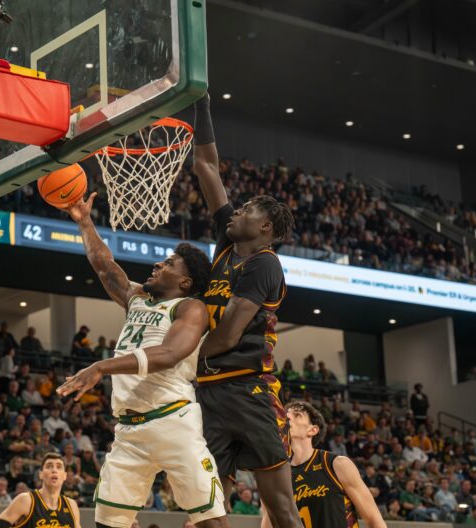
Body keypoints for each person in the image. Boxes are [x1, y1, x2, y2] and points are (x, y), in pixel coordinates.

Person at [57, 193, 228, 528]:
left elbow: (169, 354)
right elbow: (106, 267)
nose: (158, 265)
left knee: (210, 521)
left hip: (173, 421)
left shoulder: (189, 308)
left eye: (168, 264)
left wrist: (101, 366)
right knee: (108, 523)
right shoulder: (137, 298)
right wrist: (84, 221)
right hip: (129, 432)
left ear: (185, 282)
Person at [192, 93, 299, 528]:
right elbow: (206, 167)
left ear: (266, 228)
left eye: (247, 210)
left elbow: (229, 335)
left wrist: (176, 355)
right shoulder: (226, 245)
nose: (236, 211)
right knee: (207, 508)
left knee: (282, 511)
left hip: (250, 392)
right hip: (210, 394)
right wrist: (201, 104)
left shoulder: (264, 263)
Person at [286, 401, 386, 528]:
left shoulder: (337, 465)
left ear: (312, 430)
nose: (287, 417)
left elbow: (375, 521)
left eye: (297, 415)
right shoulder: (278, 477)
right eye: (285, 415)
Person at [0, 453, 80, 528]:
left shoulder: (71, 505)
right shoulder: (26, 500)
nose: (54, 470)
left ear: (65, 476)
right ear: (40, 474)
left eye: (59, 467)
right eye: (49, 466)